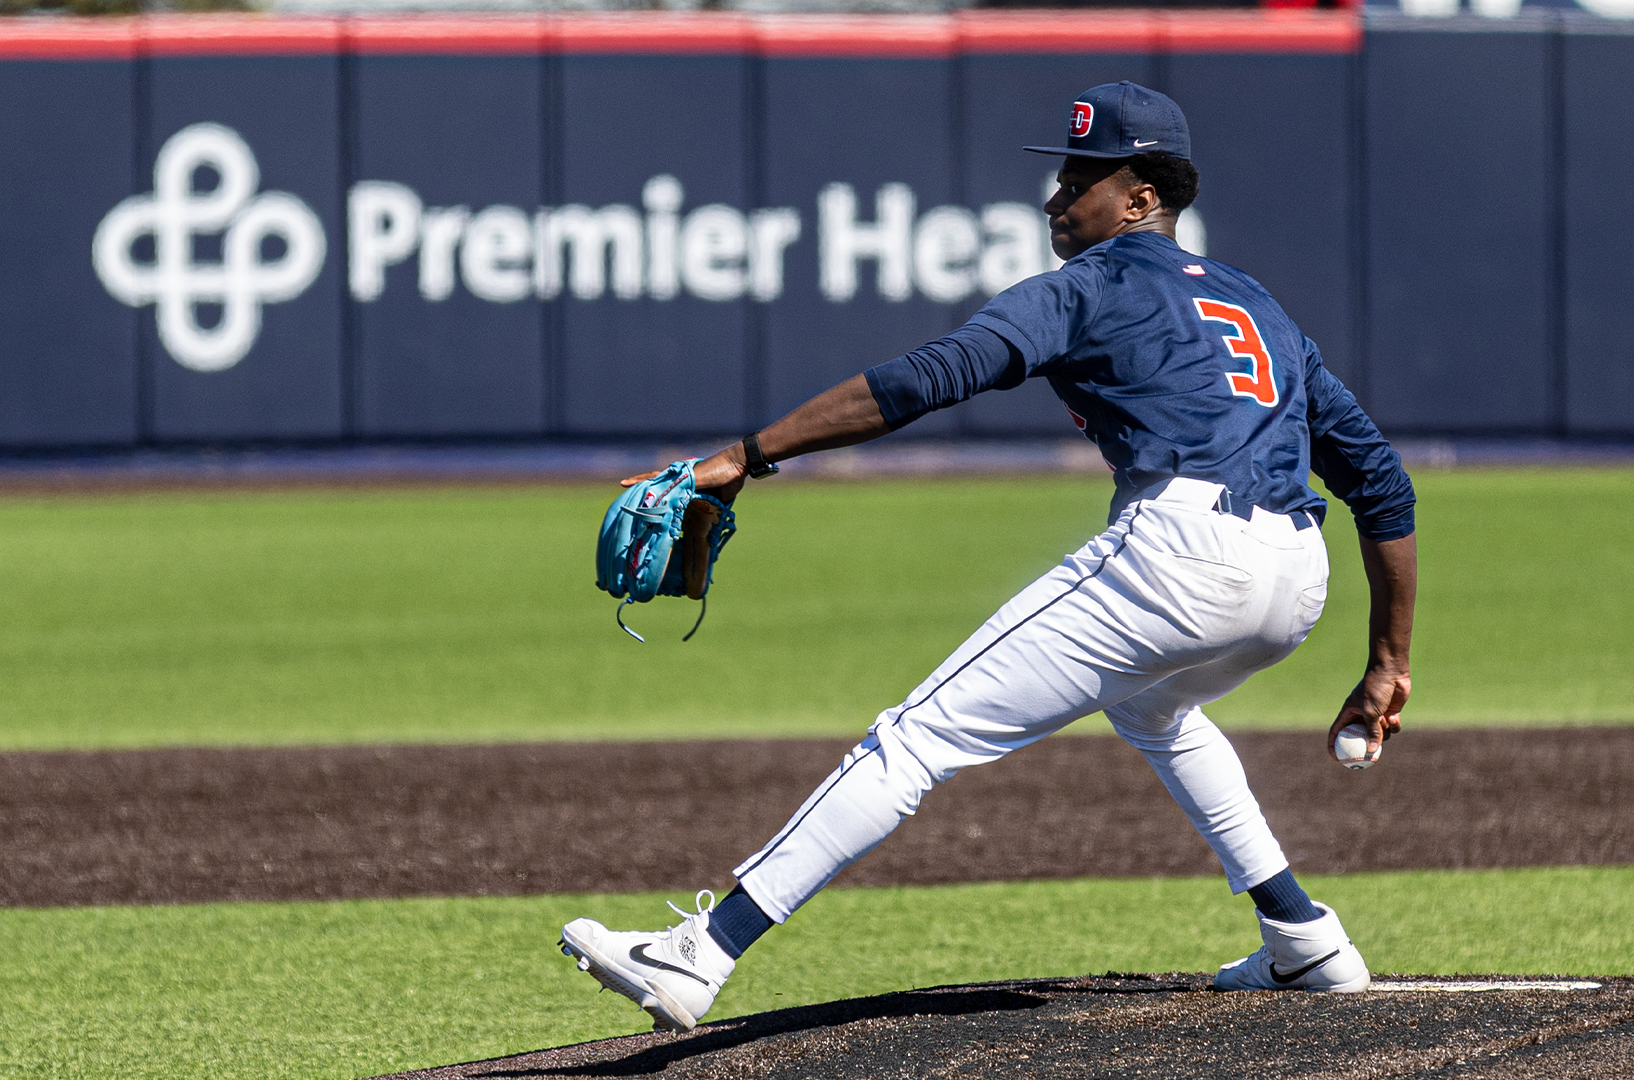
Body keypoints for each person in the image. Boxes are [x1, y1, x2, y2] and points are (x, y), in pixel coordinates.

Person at [559, 81, 1417, 1033]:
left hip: (1184, 553)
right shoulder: (1259, 306)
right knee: (1154, 710)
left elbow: (931, 377)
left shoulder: (1091, 286)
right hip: (1296, 577)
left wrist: (748, 454)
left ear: (1141, 201)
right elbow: (1378, 479)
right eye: (1060, 176)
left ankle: (702, 953)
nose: (1058, 197)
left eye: (1083, 178)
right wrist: (1387, 661)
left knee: (916, 737)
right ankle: (1304, 940)